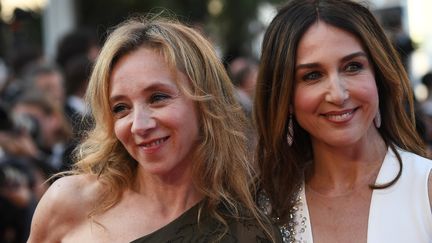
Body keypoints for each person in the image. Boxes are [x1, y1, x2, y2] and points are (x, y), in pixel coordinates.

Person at [27, 17, 281, 243]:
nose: (139, 125)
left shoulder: (248, 232)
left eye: (158, 97)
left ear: (206, 103)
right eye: (121, 108)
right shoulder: (69, 202)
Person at [254, 0, 432, 242]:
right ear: (285, 97)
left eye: (352, 67)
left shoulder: (426, 189)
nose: (338, 94)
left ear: (379, 76)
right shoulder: (265, 210)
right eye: (312, 76)